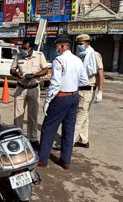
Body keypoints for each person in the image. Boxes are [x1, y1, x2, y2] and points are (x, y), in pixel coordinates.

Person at [38, 37, 89, 169]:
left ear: (62, 47)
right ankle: (65, 160)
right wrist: (72, 83)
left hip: (61, 98)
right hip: (74, 96)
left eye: (57, 47)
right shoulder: (78, 60)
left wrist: (47, 101)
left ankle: (43, 159)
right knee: (69, 129)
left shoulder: (59, 60)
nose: (56, 50)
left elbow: (55, 83)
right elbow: (84, 81)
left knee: (49, 128)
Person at [10, 39, 48, 149]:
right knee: (18, 115)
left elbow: (45, 70)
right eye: (22, 48)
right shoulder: (18, 56)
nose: (23, 50)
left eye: (25, 49)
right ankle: (18, 137)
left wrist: (34, 75)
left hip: (34, 88)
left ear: (31, 48)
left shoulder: (39, 56)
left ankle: (33, 138)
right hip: (20, 88)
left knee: (33, 115)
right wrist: (17, 73)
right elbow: (12, 70)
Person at [73, 34, 104, 148]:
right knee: (84, 115)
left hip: (88, 90)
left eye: (81, 44)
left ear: (87, 44)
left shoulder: (94, 55)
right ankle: (83, 140)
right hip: (79, 89)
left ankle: (69, 142)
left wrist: (100, 91)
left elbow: (100, 74)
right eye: (78, 44)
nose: (79, 46)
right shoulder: (80, 55)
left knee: (78, 116)